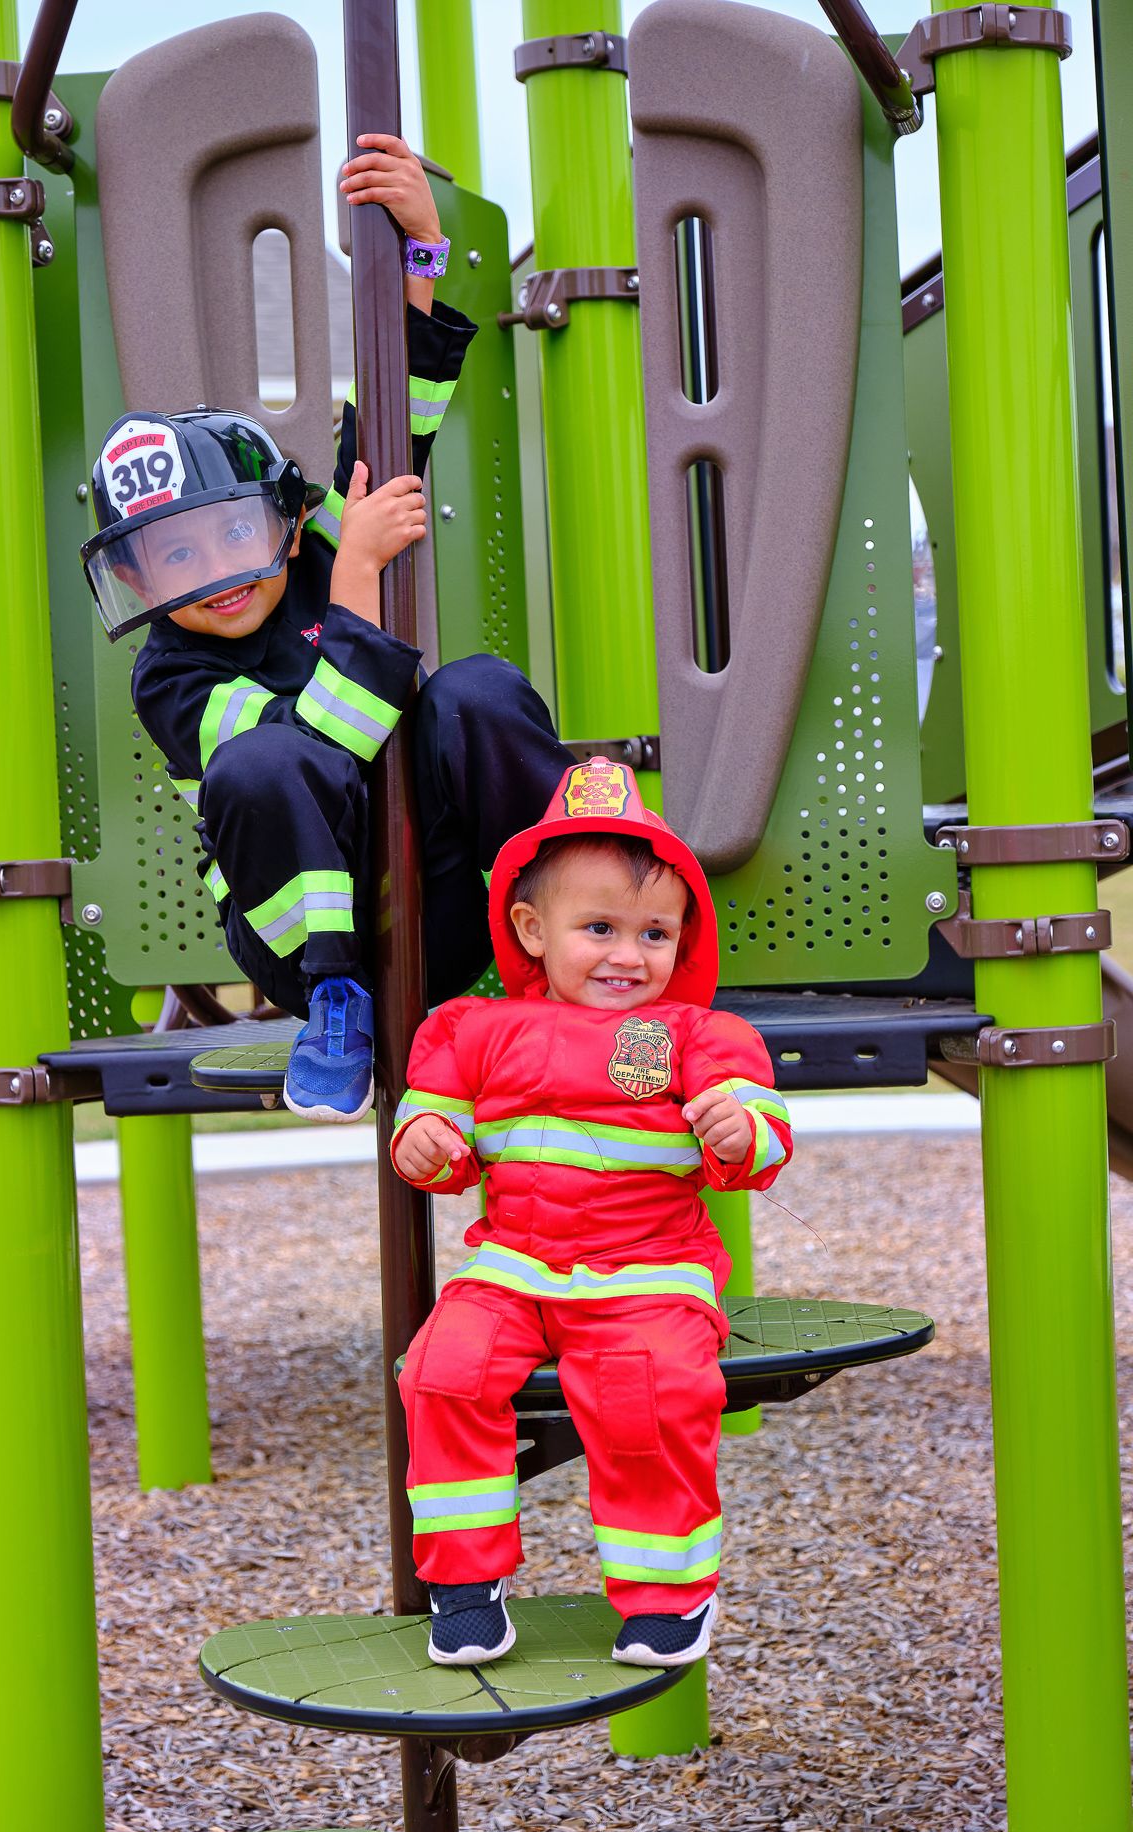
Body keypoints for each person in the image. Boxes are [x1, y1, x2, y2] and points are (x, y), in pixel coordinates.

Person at [80, 133, 571, 1120]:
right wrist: (356, 584)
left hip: (440, 892)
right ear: (134, 578)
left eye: (227, 538)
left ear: (285, 515)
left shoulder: (318, 540)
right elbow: (320, 754)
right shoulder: (169, 679)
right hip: (316, 945)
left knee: (478, 689)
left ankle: (567, 921)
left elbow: (396, 423)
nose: (210, 577)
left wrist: (418, 255)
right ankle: (342, 1014)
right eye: (170, 560)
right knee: (260, 768)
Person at [392, 758, 793, 1668]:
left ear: (684, 937)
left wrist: (740, 1129)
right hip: (515, 1266)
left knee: (650, 1396)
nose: (628, 954)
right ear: (532, 930)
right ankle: (464, 1584)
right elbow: (435, 1127)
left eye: (655, 932)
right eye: (600, 927)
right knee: (441, 1372)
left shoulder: (696, 1034)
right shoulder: (470, 1029)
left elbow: (762, 1134)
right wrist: (425, 1144)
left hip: (650, 1271)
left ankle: (668, 1595)